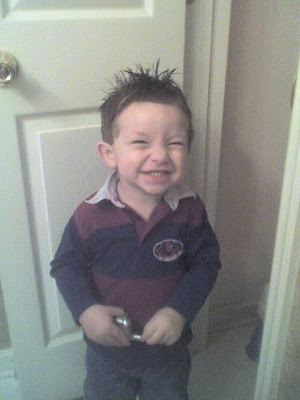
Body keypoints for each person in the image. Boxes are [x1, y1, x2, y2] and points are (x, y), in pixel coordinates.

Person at [50, 63, 221, 400]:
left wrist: (178, 311)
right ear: (109, 154)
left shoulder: (190, 211)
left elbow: (206, 265)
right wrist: (86, 312)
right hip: (107, 351)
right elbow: (65, 266)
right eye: (141, 142)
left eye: (174, 143)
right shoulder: (90, 214)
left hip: (167, 352)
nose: (160, 155)